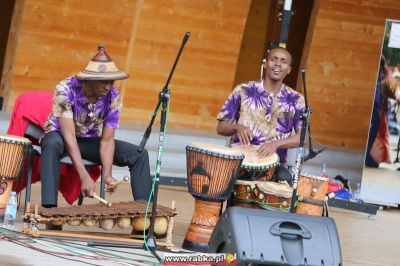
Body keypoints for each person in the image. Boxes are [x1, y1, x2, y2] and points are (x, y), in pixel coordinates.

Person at [40, 45, 152, 211]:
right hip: (61, 137)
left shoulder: (113, 97)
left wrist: (107, 174)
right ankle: (50, 210)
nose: (108, 86)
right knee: (51, 143)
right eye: (103, 81)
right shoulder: (65, 89)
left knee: (139, 155)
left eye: (111, 81)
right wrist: (84, 175)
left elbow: (107, 140)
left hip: (87, 140)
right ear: (90, 79)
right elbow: (69, 135)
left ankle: (144, 217)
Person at [216, 47, 305, 184]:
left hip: (274, 165)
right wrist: (237, 127)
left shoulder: (296, 99)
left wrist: (276, 144)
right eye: (273, 59)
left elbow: (301, 138)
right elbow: (221, 128)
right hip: (240, 161)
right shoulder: (243, 90)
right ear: (265, 64)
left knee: (286, 181)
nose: (278, 64)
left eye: (283, 61)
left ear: (288, 69)